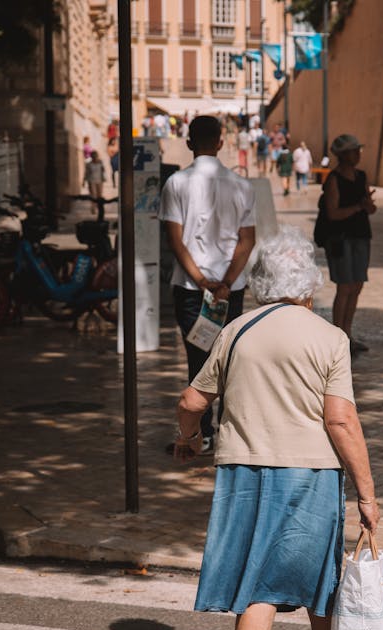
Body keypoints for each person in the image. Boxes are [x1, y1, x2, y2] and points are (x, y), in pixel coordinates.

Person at [175, 225, 379, 630]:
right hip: (308, 474)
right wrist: (368, 496)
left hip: (242, 472)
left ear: (264, 281)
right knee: (317, 576)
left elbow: (191, 402)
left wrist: (190, 439)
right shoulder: (331, 338)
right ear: (310, 283)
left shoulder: (237, 330)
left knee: (257, 575)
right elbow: (341, 421)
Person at [159, 115, 256, 454]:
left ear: (188, 142)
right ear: (220, 142)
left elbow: (175, 240)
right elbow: (247, 240)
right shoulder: (242, 186)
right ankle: (229, 432)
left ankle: (202, 432)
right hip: (231, 289)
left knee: (198, 359)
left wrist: (202, 280)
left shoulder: (176, 184)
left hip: (190, 287)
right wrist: (226, 282)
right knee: (231, 359)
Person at [323, 134, 376, 355]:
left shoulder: (361, 176)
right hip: (341, 239)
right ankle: (337, 336)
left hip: (361, 236)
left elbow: (370, 208)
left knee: (356, 286)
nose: (358, 154)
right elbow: (333, 213)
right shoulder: (334, 179)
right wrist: (357, 207)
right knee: (344, 287)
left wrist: (367, 205)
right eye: (354, 151)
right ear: (344, 155)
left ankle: (347, 333)